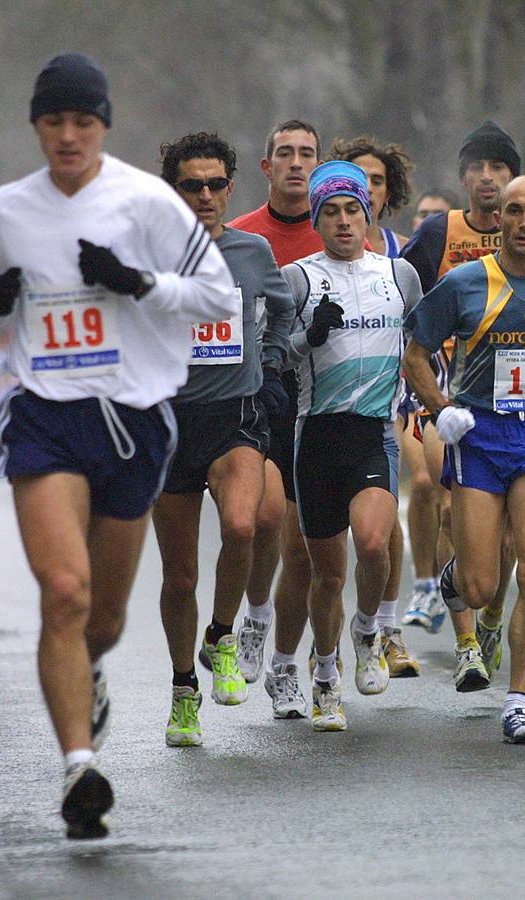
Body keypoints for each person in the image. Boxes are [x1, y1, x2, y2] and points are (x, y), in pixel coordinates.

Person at [0, 53, 235, 838]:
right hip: (45, 415)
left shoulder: (145, 204)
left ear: (103, 125)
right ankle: (80, 768)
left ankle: (94, 670)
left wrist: (137, 282)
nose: (68, 136)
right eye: (54, 122)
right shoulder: (7, 210)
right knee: (65, 594)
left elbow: (214, 295)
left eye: (83, 121)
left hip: (133, 420)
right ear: (37, 127)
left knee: (104, 618)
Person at [404, 174, 525, 743]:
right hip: (480, 438)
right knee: (481, 588)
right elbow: (414, 356)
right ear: (501, 220)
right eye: (514, 211)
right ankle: (455, 576)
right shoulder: (466, 285)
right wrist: (441, 408)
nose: (523, 223)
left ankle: (519, 702)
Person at [153, 132, 296, 746]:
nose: (206, 196)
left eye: (216, 185)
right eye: (193, 185)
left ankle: (221, 635)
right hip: (167, 424)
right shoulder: (150, 254)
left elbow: (285, 311)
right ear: (172, 191)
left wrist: (267, 363)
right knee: (179, 575)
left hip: (235, 416)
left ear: (230, 188)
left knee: (243, 526)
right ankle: (185, 687)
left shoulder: (251, 251)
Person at [281, 161, 423, 731]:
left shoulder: (399, 274)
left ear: (368, 214)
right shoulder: (298, 278)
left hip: (372, 434)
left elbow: (421, 346)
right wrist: (308, 336)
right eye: (331, 212)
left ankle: (366, 630)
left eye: (352, 210)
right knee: (327, 576)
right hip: (315, 435)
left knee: (372, 543)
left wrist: (435, 401)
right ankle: (323, 675)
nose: (343, 222)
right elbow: (275, 355)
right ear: (316, 221)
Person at [399, 121, 522, 689]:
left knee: (510, 535)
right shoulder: (435, 233)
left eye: (499, 167)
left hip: (518, 395)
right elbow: (405, 301)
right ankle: (467, 643)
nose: (488, 177)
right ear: (464, 177)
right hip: (445, 391)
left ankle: (493, 615)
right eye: (477, 167)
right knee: (451, 508)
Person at [226, 120, 321, 713]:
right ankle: (255, 615)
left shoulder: (340, 230)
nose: (295, 163)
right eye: (284, 154)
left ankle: (287, 663)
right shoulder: (239, 237)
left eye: (306, 154)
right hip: (260, 396)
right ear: (266, 167)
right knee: (264, 519)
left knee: (307, 547)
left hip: (324, 399)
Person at [329, 135, 423, 677]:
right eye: (355, 181)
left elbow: (422, 330)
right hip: (324, 407)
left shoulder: (403, 253)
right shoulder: (323, 246)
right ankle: (325, 639)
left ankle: (385, 626)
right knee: (325, 537)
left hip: (391, 401)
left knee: (383, 520)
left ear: (388, 194)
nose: (366, 190)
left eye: (377, 182)